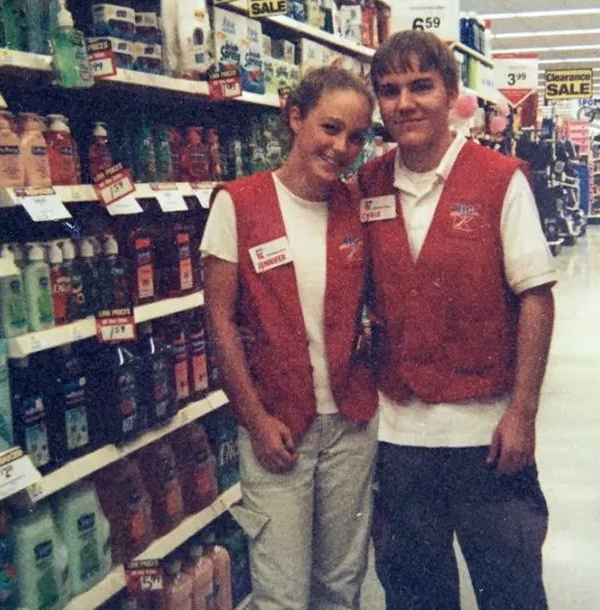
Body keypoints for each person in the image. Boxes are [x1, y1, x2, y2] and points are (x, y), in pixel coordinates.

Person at [358, 30, 557, 610]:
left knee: (511, 591)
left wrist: (523, 413)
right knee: (415, 594)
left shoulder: (499, 180)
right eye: (389, 90)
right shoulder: (367, 185)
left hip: (486, 434)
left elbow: (536, 298)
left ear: (451, 94)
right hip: (398, 436)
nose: (404, 103)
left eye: (421, 86)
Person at [201, 66, 379, 610]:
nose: (341, 147)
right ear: (295, 117)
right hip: (278, 427)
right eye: (329, 128)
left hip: (351, 425)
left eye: (355, 137)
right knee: (280, 591)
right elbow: (219, 320)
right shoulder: (239, 202)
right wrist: (253, 416)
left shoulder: (359, 207)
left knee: (341, 583)